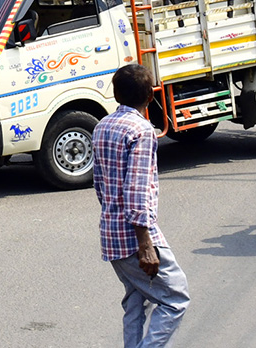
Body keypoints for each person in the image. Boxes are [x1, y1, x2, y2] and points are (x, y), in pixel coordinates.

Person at [92, 64, 190, 347]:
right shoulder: (142, 130)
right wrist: (145, 242)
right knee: (176, 298)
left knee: (136, 301)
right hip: (134, 237)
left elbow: (99, 183)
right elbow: (136, 188)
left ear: (115, 93)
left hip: (111, 233)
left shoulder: (102, 126)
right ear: (150, 96)